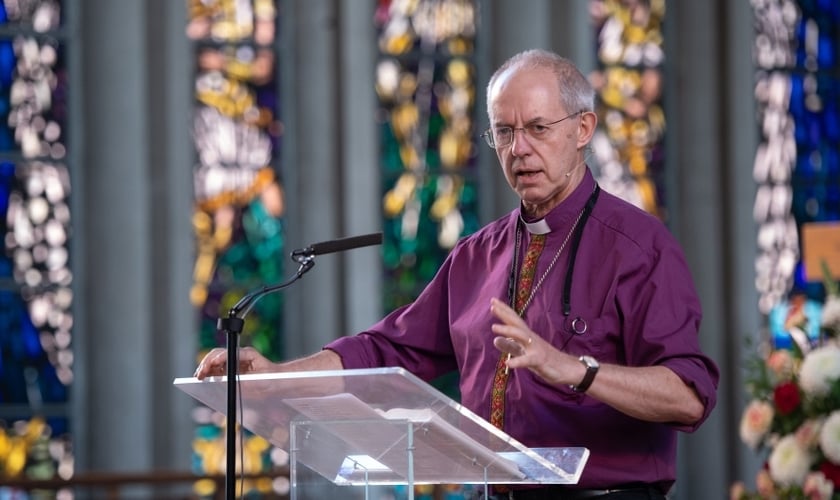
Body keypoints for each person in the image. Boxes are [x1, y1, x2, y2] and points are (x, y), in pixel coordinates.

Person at [195, 49, 719, 499]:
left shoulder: (638, 247)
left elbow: (689, 396)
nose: (519, 150)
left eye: (538, 128)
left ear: (583, 129)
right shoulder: (476, 255)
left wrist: (574, 370)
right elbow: (384, 352)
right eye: (505, 133)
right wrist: (276, 376)